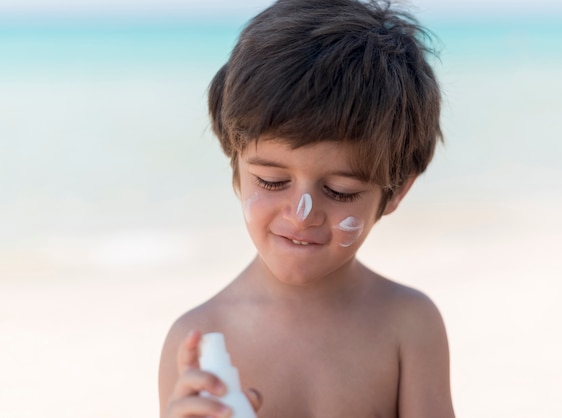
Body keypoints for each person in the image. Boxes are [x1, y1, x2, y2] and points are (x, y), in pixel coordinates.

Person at [159, 0, 455, 416]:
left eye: (339, 190)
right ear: (236, 168)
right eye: (272, 181)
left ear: (397, 193)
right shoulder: (198, 340)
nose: (301, 214)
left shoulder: (407, 325)